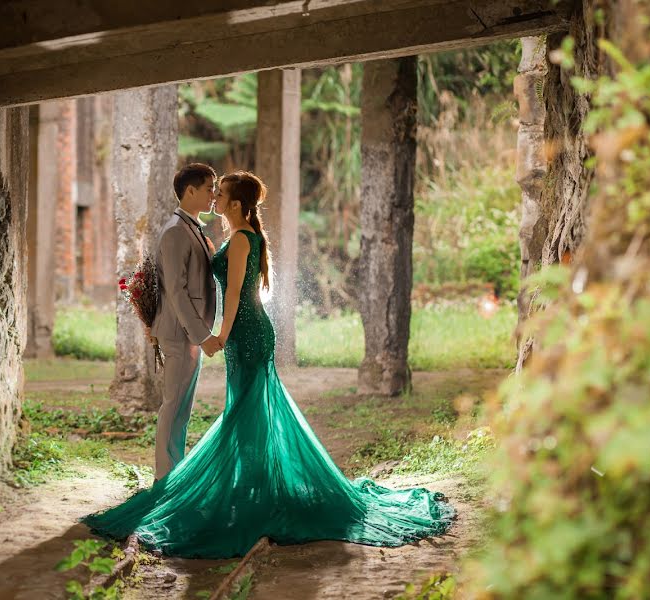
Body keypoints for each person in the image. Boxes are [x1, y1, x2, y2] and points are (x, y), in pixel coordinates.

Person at [82, 171, 454, 559]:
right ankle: (247, 486)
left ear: (237, 204)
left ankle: (249, 490)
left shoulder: (241, 239)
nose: (216, 197)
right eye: (212, 190)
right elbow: (188, 283)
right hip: (239, 333)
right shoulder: (221, 235)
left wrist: (220, 336)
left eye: (221, 193)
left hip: (245, 333)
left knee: (244, 412)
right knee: (243, 411)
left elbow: (240, 294)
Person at [148, 163, 222, 481]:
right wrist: (202, 335)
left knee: (182, 410)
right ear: (189, 191)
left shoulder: (193, 227)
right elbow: (176, 291)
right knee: (173, 405)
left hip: (189, 333)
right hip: (180, 334)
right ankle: (164, 479)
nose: (214, 194)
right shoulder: (176, 231)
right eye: (209, 188)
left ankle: (174, 473)